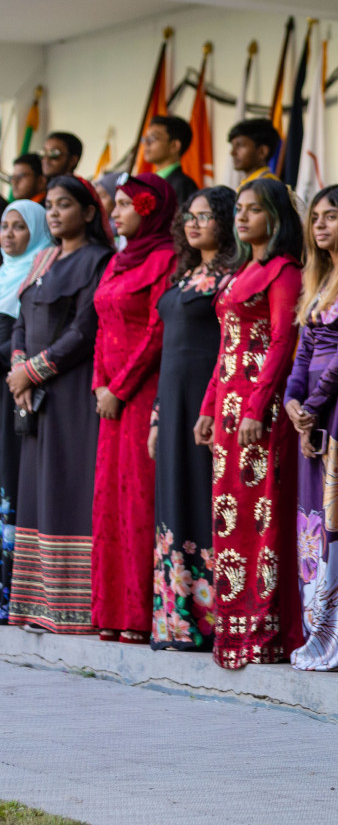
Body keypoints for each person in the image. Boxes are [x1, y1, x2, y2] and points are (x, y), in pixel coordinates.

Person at [194, 178, 304, 669]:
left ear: (274, 219)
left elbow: (282, 341)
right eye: (238, 209)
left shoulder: (284, 272)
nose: (241, 218)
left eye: (253, 210)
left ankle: (265, 631)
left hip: (262, 411)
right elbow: (227, 347)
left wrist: (259, 406)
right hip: (229, 410)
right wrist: (206, 407)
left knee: (263, 517)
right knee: (229, 517)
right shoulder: (242, 273)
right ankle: (232, 627)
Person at [7, 176, 114, 634]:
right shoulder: (44, 258)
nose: (53, 213)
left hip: (70, 390)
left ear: (88, 213)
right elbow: (20, 318)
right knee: (35, 487)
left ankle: (74, 607)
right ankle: (38, 603)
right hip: (32, 392)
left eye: (64, 205)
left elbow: (84, 330)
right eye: (49, 205)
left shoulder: (98, 260)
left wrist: (32, 371)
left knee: (66, 484)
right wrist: (18, 369)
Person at [284, 185, 338, 672]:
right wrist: (291, 401)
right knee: (313, 523)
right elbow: (302, 356)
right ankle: (317, 625)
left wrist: (313, 405)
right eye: (314, 217)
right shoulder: (319, 284)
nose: (319, 225)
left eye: (331, 216)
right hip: (314, 416)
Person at [150, 186, 242, 651]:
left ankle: (213, 620)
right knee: (174, 499)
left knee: (205, 498)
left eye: (206, 216)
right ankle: (178, 621)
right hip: (173, 402)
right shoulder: (187, 274)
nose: (194, 222)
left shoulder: (233, 277)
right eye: (190, 215)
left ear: (226, 222)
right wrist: (156, 417)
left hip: (209, 403)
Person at [91, 174, 178, 643]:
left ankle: (141, 614)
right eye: (115, 204)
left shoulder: (165, 257)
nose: (116, 212)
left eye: (126, 204)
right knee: (110, 502)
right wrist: (99, 384)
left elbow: (158, 331)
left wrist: (119, 387)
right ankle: (111, 610)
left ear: (149, 210)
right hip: (110, 400)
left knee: (141, 500)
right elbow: (102, 326)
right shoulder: (117, 262)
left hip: (141, 394)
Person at [0, 201, 51, 622]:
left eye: (19, 227)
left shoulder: (40, 273)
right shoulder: (3, 274)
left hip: (15, 392)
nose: (9, 234)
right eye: (4, 226)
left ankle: (9, 592)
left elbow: (26, 336)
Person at [142, 115, 200, 205]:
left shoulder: (183, 185)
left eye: (153, 138)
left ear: (174, 146)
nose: (146, 143)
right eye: (145, 138)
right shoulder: (149, 181)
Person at [228, 118, 283, 188]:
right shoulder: (250, 183)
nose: (232, 153)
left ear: (262, 152)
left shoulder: (264, 187)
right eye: (233, 146)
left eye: (240, 146)